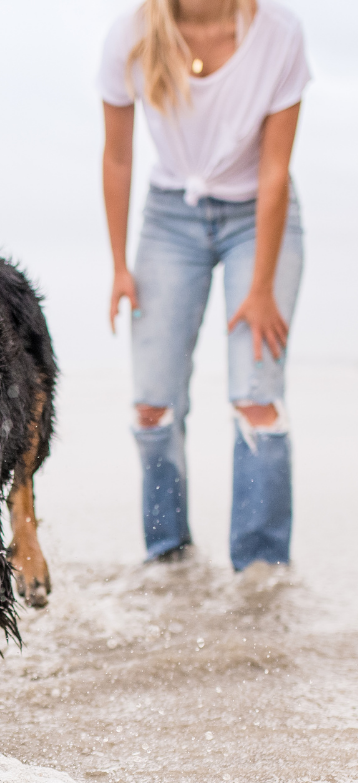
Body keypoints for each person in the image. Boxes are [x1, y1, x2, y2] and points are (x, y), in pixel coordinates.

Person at [99, 0, 309, 570]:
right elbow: (118, 159)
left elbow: (274, 171)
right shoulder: (130, 35)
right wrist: (120, 265)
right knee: (152, 405)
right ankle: (169, 561)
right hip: (169, 220)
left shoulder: (279, 32)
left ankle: (262, 573)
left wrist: (261, 286)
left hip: (258, 219)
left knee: (256, 397)